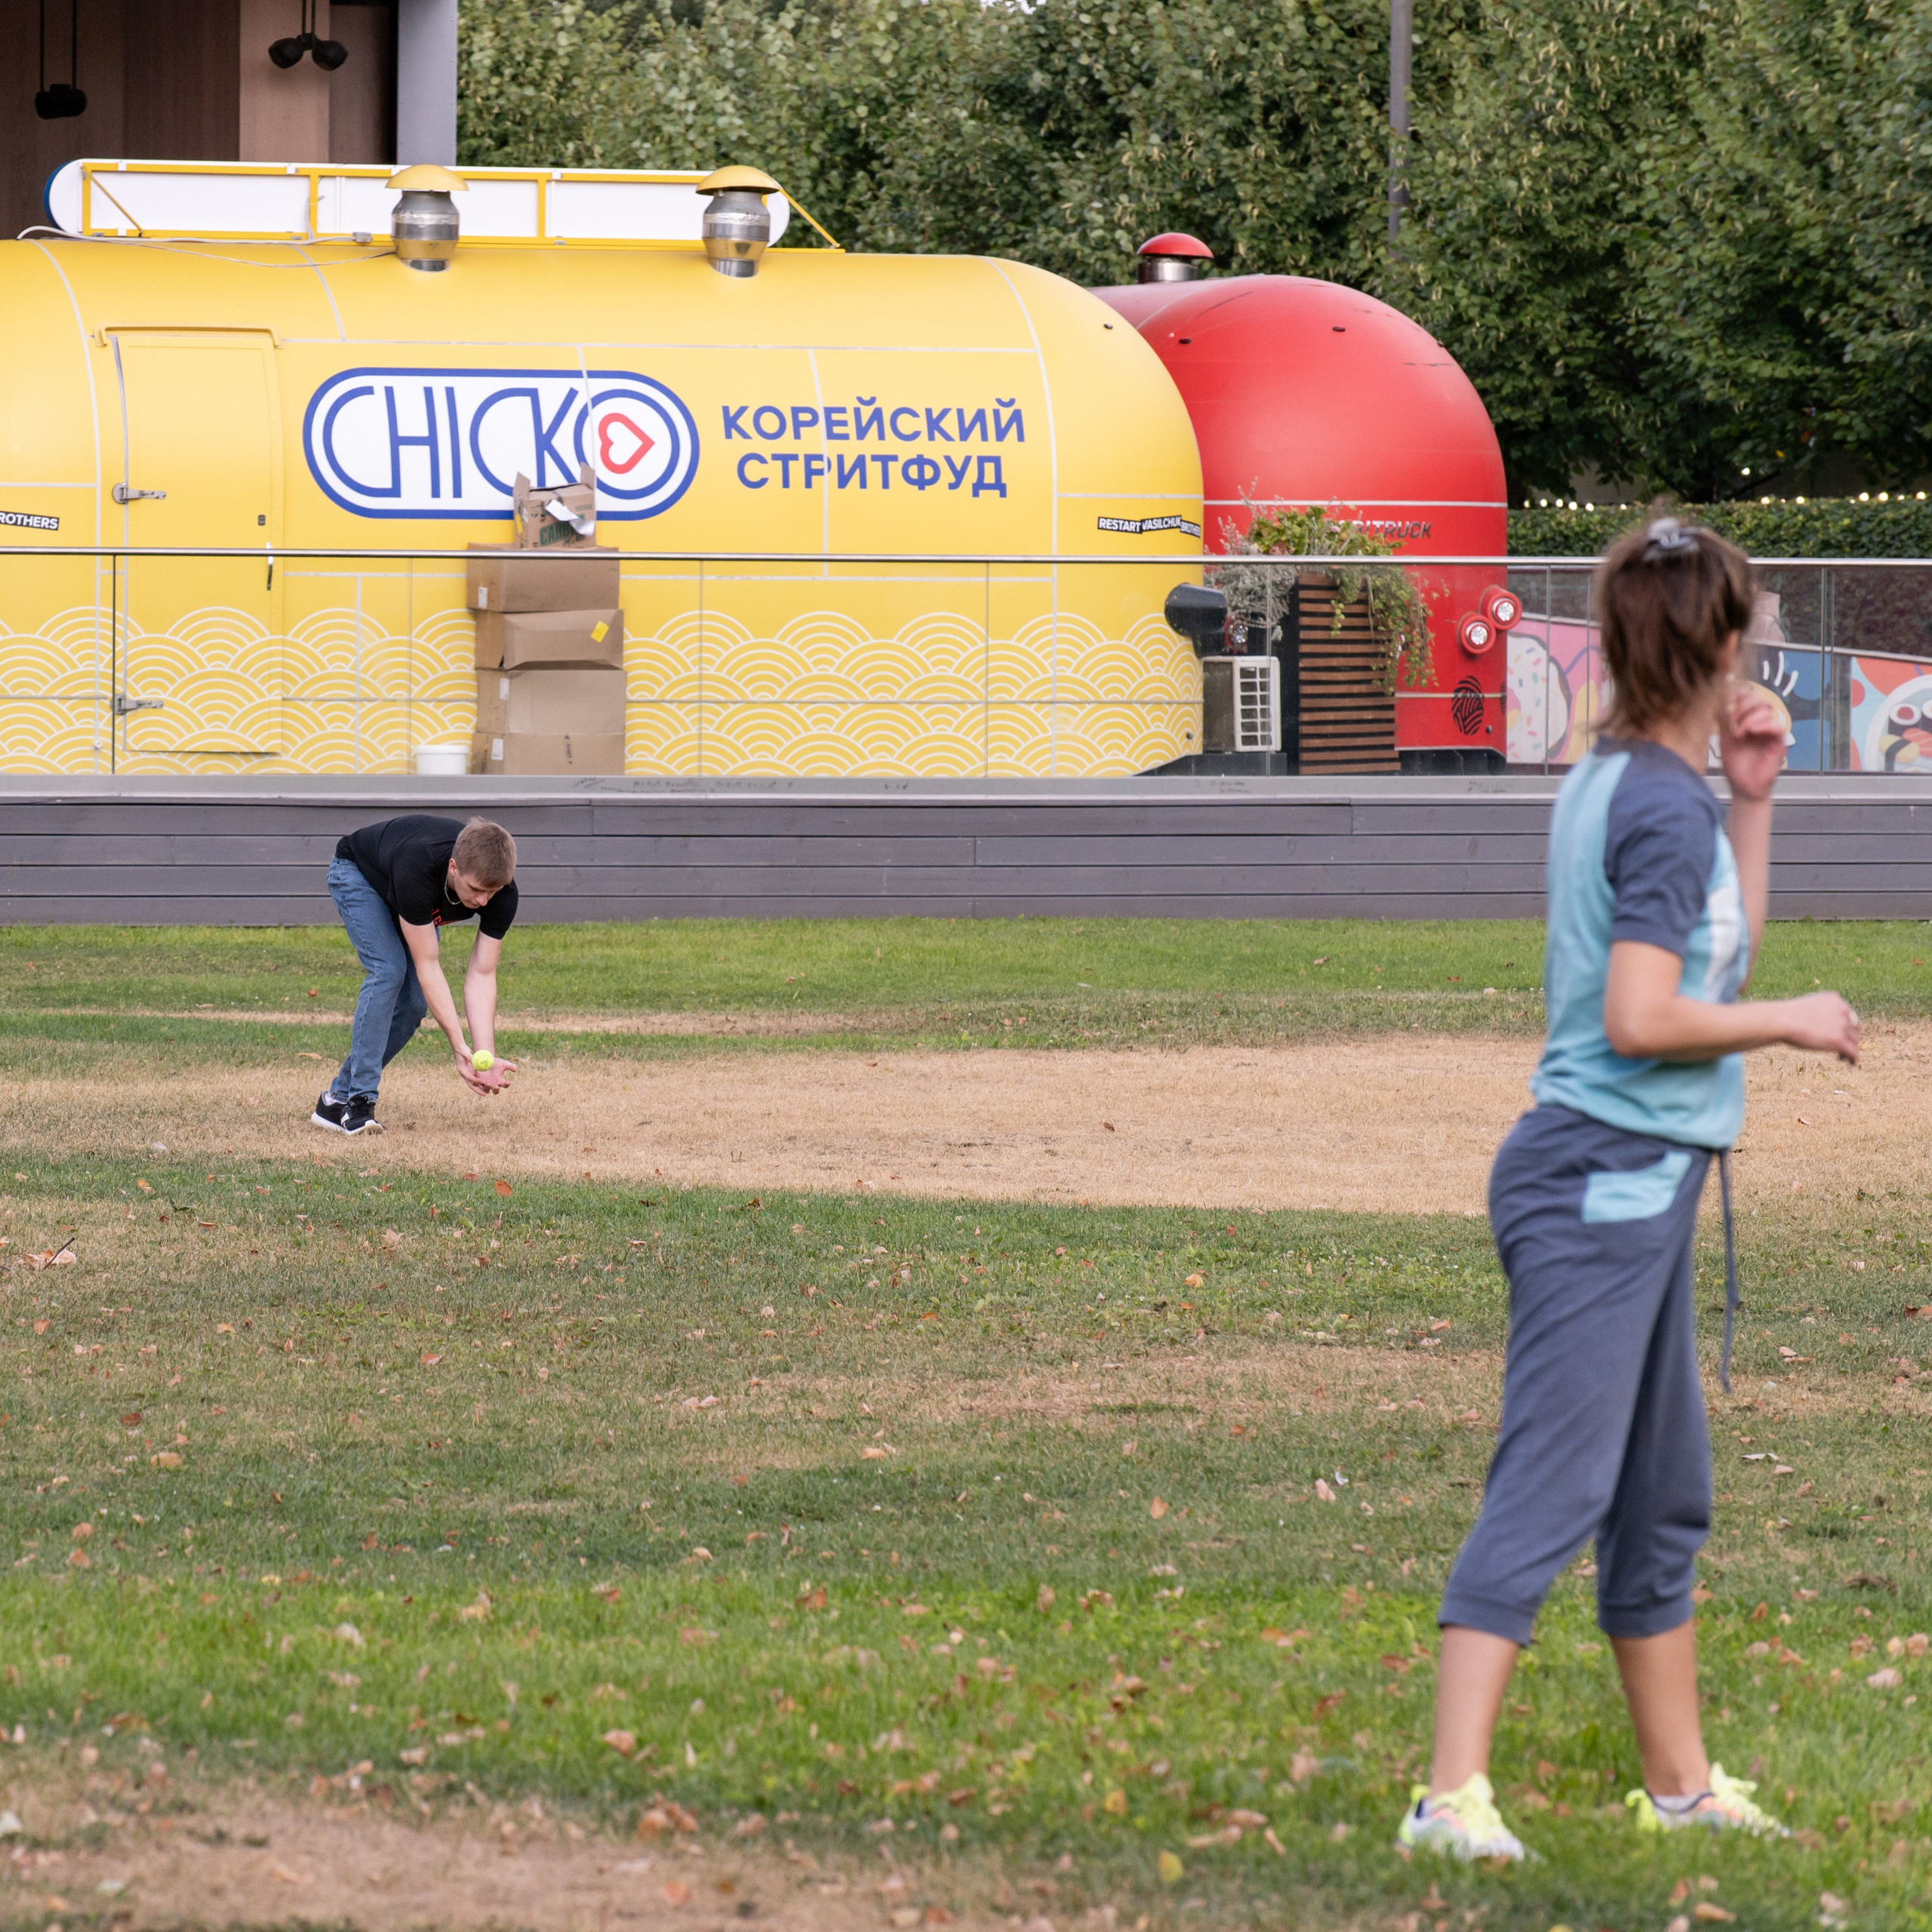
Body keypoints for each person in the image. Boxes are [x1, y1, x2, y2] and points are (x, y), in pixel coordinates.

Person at [1397, 518, 1861, 1862]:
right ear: (1716, 645)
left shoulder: (1625, 780)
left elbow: (1706, 952)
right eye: (1751, 633)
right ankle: (1446, 1801)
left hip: (1626, 1180)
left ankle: (1680, 1790)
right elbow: (1650, 1014)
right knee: (1552, 1484)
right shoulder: (1655, 802)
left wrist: (1757, 799)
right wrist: (1794, 1020)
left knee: (1661, 1497)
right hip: (1600, 1182)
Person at [311, 814, 520, 1136]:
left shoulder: (500, 892)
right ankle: (359, 1102)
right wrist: (457, 1045)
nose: (483, 901)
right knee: (389, 970)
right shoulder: (419, 867)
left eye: (492, 892)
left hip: (407, 894)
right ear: (454, 868)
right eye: (476, 889)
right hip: (360, 874)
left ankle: (335, 1100)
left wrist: (483, 1054)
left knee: (412, 1006)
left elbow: (482, 972)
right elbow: (428, 966)